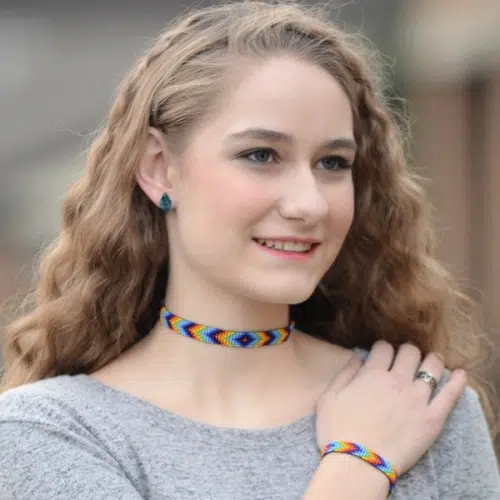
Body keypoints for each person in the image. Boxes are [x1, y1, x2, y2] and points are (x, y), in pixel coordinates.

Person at [0, 1, 499, 499]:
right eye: (260, 155)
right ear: (158, 168)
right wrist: (359, 464)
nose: (309, 204)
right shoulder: (54, 433)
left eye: (332, 163)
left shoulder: (421, 404)